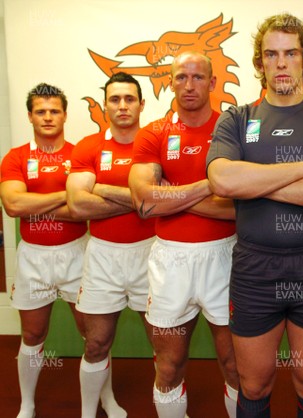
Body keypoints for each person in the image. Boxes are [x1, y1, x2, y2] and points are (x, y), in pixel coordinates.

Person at [207, 13, 303, 418]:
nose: (280, 63)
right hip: (255, 268)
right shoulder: (236, 120)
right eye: (271, 54)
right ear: (259, 64)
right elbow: (223, 180)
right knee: (255, 383)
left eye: (290, 53)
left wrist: (254, 182)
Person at [128, 51, 239, 418]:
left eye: (197, 77)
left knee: (235, 365)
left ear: (212, 82)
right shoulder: (154, 133)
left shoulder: (233, 128)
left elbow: (241, 208)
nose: (188, 85)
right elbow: (145, 201)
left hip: (225, 257)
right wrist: (210, 186)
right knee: (169, 365)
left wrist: (172, 194)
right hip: (171, 260)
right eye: (180, 77)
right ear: (171, 82)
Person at [0, 83, 117, 418]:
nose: (48, 117)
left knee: (95, 337)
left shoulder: (78, 155)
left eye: (54, 111)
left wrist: (36, 205)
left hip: (77, 254)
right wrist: (67, 198)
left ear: (65, 114)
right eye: (41, 111)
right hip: (33, 256)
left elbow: (87, 207)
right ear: (30, 116)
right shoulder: (16, 157)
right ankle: (27, 404)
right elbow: (12, 203)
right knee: (33, 333)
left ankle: (106, 400)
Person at [66, 72, 155, 418]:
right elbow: (77, 205)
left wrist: (101, 188)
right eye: (115, 99)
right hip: (102, 255)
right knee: (96, 343)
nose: (122, 106)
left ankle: (170, 409)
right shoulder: (89, 146)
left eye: (129, 99)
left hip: (151, 253)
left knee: (165, 346)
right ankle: (93, 411)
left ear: (141, 104)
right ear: (105, 106)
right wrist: (138, 200)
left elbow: (158, 202)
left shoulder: (155, 144)